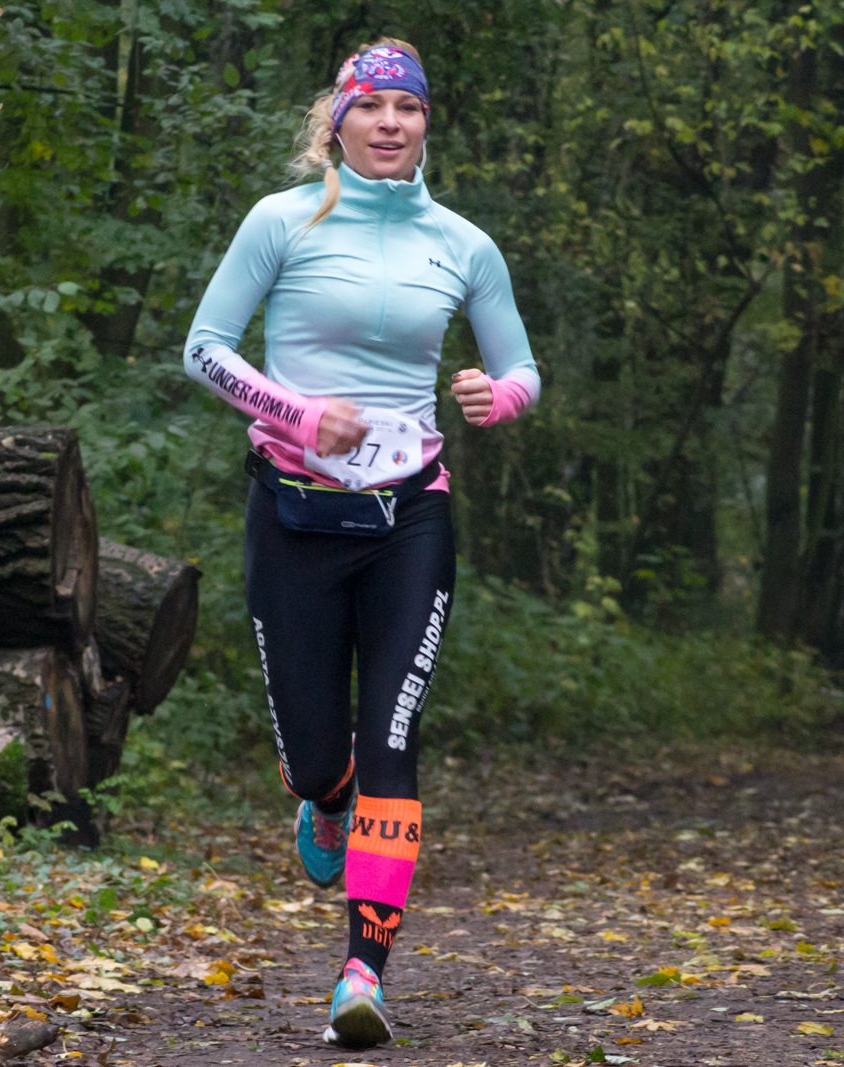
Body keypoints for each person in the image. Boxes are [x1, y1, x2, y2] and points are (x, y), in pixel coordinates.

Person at [181, 39, 540, 1049]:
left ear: (427, 125)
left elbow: (520, 369)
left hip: (408, 520)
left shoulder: (463, 244)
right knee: (312, 748)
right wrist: (296, 412)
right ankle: (322, 796)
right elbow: (203, 346)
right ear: (335, 119)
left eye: (408, 109)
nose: (390, 123)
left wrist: (495, 394)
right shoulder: (280, 222)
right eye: (371, 105)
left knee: (392, 738)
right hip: (293, 512)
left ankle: (360, 972)